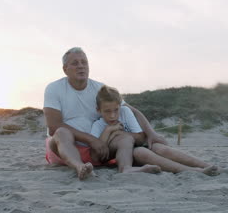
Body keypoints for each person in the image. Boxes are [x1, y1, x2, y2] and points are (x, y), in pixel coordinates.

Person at [43, 47, 167, 180]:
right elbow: (53, 126)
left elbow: (131, 110)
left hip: (99, 149)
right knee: (61, 132)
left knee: (126, 139)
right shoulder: (54, 88)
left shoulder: (99, 88)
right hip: (66, 149)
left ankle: (127, 168)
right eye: (75, 63)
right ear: (65, 69)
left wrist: (152, 133)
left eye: (84, 62)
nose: (81, 66)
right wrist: (92, 139)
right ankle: (80, 167)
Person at [91, 85, 221, 176]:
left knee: (159, 148)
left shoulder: (125, 111)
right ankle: (192, 171)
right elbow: (96, 153)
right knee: (138, 149)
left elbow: (140, 137)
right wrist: (109, 130)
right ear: (99, 110)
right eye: (107, 111)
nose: (113, 115)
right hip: (120, 156)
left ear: (120, 106)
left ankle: (207, 166)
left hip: (136, 148)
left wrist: (121, 132)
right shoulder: (98, 125)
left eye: (116, 110)